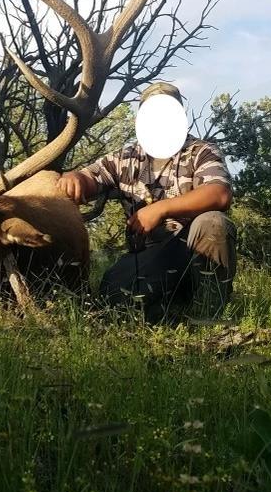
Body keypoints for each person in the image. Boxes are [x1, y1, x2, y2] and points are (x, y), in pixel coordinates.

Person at [57, 81, 237, 322]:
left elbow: (219, 193)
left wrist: (160, 209)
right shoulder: (125, 158)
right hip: (149, 257)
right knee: (113, 296)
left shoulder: (201, 151)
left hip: (193, 253)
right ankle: (171, 315)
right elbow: (90, 178)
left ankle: (210, 314)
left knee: (213, 222)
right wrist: (74, 178)